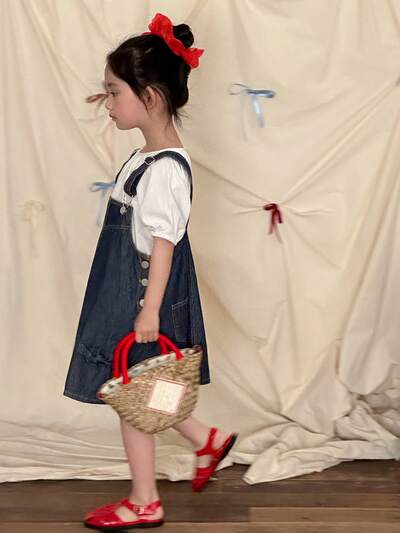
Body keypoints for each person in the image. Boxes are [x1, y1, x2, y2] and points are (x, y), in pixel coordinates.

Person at [63, 12, 238, 531]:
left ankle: (145, 501)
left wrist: (150, 310)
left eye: (114, 92)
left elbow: (163, 245)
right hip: (127, 289)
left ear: (151, 97)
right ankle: (206, 439)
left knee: (131, 393)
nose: (108, 102)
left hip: (141, 293)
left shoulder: (164, 170)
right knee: (143, 387)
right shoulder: (148, 157)